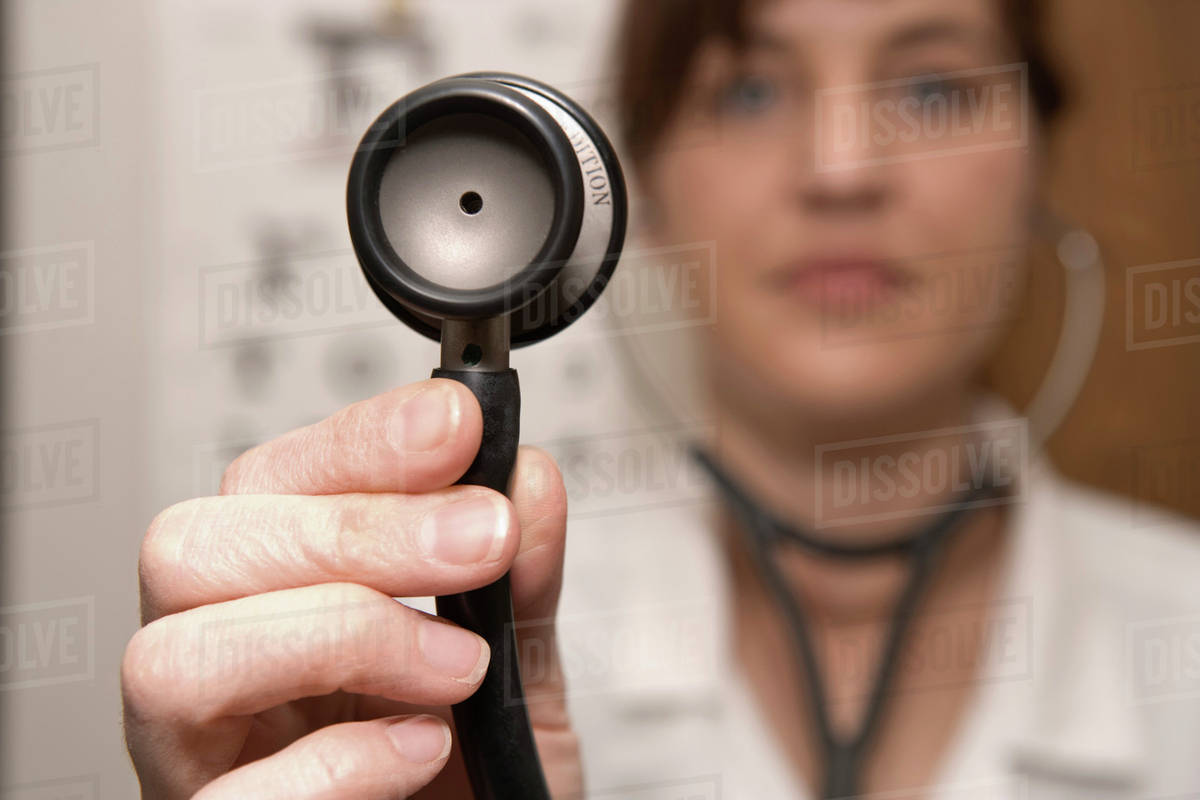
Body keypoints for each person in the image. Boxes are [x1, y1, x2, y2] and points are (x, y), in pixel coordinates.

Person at [121, 0, 1200, 798]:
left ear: (1038, 158)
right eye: (751, 88)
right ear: (642, 176)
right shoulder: (418, 666)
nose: (841, 169)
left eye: (931, 88)